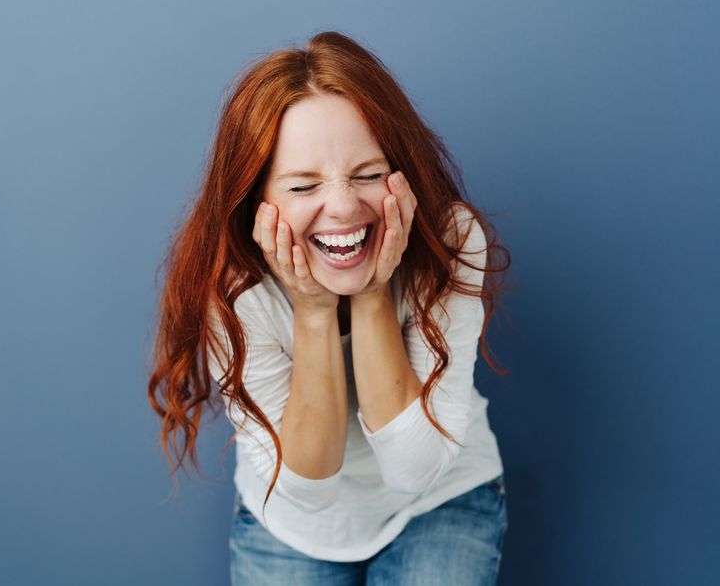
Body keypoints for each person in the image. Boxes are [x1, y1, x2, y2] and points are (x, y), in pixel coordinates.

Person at [147, 30, 512, 585]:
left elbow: (414, 470)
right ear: (257, 198)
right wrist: (314, 311)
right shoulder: (232, 286)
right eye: (302, 187)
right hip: (294, 522)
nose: (343, 207)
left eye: (367, 175)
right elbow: (309, 488)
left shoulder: (449, 240)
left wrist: (371, 293)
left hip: (440, 498)